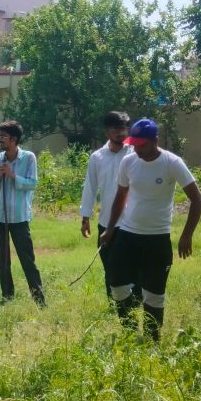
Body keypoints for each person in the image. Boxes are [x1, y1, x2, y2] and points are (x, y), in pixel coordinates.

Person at [100, 119, 201, 341]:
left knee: (154, 294)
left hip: (157, 238)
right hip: (127, 234)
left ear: (155, 141)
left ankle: (151, 339)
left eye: (141, 145)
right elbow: (120, 197)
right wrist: (110, 229)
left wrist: (187, 235)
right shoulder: (129, 162)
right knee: (116, 283)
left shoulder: (172, 163)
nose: (136, 149)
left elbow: (197, 200)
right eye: (134, 144)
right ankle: (129, 332)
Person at [79, 111, 137, 299]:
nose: (121, 133)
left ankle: (134, 302)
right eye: (116, 129)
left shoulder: (135, 153)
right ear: (107, 131)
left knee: (132, 265)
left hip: (132, 221)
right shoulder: (97, 157)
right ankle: (114, 302)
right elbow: (90, 187)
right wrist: (85, 217)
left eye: (124, 128)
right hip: (106, 222)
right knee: (109, 264)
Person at [0, 120, 44, 305]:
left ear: (14, 139)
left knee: (27, 260)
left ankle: (39, 299)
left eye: (3, 136)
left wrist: (12, 176)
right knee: (2, 261)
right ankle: (7, 296)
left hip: (19, 217)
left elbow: (33, 183)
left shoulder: (28, 158)